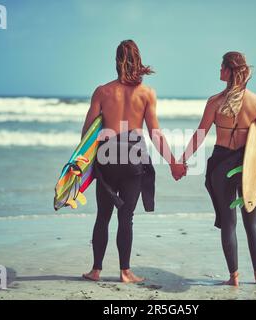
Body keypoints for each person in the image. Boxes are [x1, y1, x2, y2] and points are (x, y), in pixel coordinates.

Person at [79, 40, 187, 283]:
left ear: (117, 61)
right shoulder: (147, 93)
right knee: (126, 216)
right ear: (138, 59)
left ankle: (96, 270)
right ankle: (125, 272)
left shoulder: (102, 91)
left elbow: (87, 132)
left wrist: (80, 164)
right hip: (134, 156)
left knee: (103, 216)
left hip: (107, 157)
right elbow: (155, 133)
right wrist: (173, 163)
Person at [180, 52, 256, 286]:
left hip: (220, 164)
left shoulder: (214, 102)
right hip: (247, 165)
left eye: (221, 67)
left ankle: (234, 277)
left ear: (228, 70)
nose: (219, 71)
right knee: (252, 221)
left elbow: (199, 135)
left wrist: (183, 159)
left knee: (228, 222)